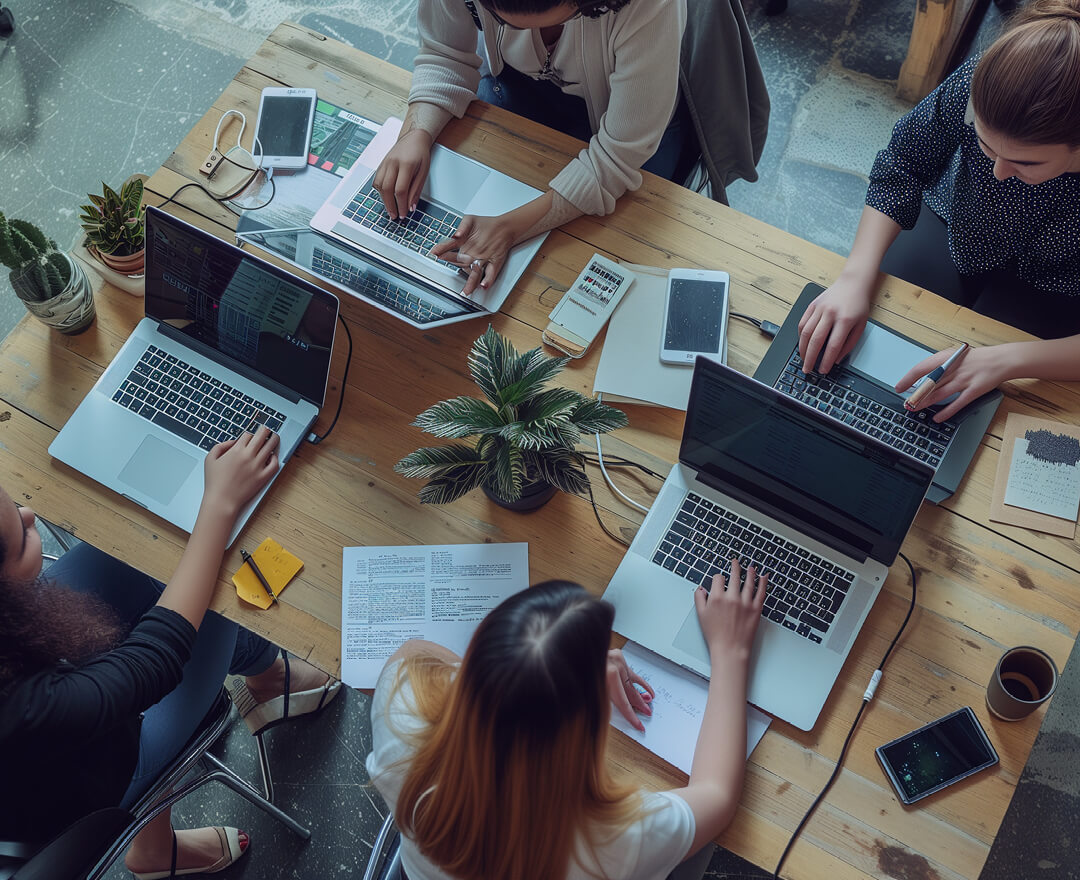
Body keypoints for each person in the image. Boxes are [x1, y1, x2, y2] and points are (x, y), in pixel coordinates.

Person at [0, 426, 340, 879]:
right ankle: (153, 851)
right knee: (217, 593)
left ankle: (268, 677)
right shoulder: (27, 706)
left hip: (41, 734)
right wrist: (218, 504)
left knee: (147, 545)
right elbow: (156, 660)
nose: (29, 513)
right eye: (23, 538)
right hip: (95, 778)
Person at [367, 564, 767, 880]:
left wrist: (534, 675)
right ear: (582, 736)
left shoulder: (402, 719)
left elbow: (414, 653)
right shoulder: (614, 842)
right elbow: (717, 794)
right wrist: (730, 651)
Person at [797, 0, 1080, 423]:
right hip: (955, 224)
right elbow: (903, 164)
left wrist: (1007, 361)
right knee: (871, 347)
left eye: (1026, 163)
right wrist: (854, 278)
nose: (999, 172)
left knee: (983, 410)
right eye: (984, 145)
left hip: (1057, 283)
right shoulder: (979, 81)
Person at [375, 0, 693, 296]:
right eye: (502, 21)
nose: (524, 36)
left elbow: (617, 157)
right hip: (518, 88)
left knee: (598, 253)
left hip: (633, 125)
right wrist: (415, 134)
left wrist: (510, 228)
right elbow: (446, 55)